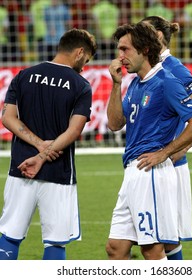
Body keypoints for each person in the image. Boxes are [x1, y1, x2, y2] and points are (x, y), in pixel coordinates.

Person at [105, 21, 192, 260]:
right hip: (132, 171)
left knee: (152, 251)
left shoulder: (166, 81)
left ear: (145, 50)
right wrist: (116, 84)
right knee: (115, 248)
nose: (120, 56)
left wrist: (165, 153)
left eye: (125, 49)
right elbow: (114, 124)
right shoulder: (134, 83)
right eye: (119, 50)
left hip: (150, 172)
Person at [0, 28, 97, 260]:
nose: (84, 66)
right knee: (56, 241)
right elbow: (74, 130)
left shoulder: (24, 75)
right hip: (58, 172)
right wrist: (45, 153)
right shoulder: (81, 85)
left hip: (21, 168)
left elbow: (8, 118)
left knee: (10, 235)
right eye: (86, 59)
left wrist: (37, 145)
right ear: (79, 52)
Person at [141, 15, 192, 260]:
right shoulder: (149, 68)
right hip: (148, 163)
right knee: (151, 241)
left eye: (142, 32)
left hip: (167, 165)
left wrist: (180, 149)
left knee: (163, 241)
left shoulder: (172, 68)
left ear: (158, 37)